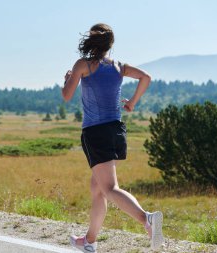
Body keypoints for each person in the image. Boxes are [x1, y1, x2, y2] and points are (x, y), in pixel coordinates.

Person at [62, 23, 164, 252]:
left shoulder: (83, 65)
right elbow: (145, 77)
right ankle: (89, 241)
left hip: (95, 133)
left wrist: (67, 79)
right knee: (97, 188)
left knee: (109, 188)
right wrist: (132, 103)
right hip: (117, 131)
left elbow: (67, 96)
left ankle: (147, 219)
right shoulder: (119, 67)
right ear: (110, 44)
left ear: (91, 41)